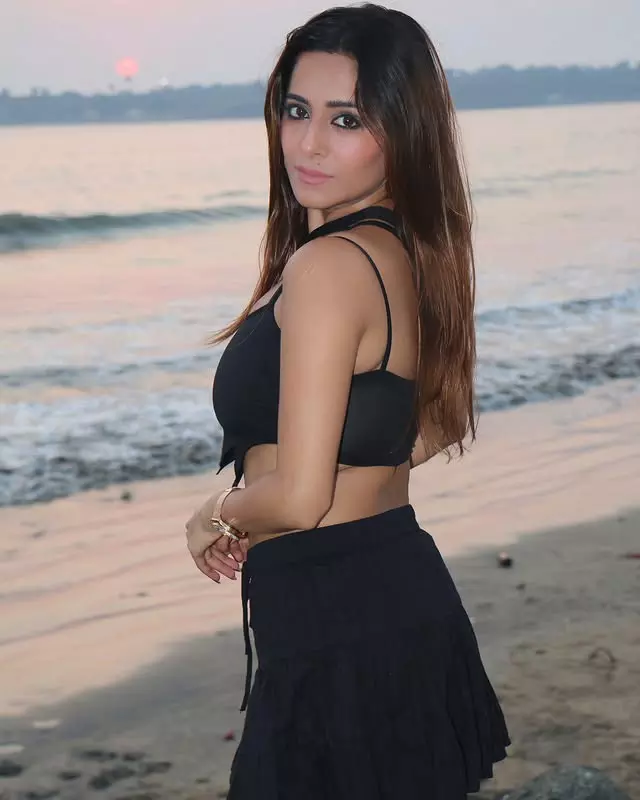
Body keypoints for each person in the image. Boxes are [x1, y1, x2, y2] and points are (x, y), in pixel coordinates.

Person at [185, 4, 511, 798]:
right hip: (383, 597)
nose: (308, 144)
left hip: (338, 620)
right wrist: (345, 479)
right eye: (297, 111)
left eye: (346, 120)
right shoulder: (405, 248)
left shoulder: (328, 268)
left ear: (403, 131)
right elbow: (439, 420)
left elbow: (300, 499)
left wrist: (219, 513)